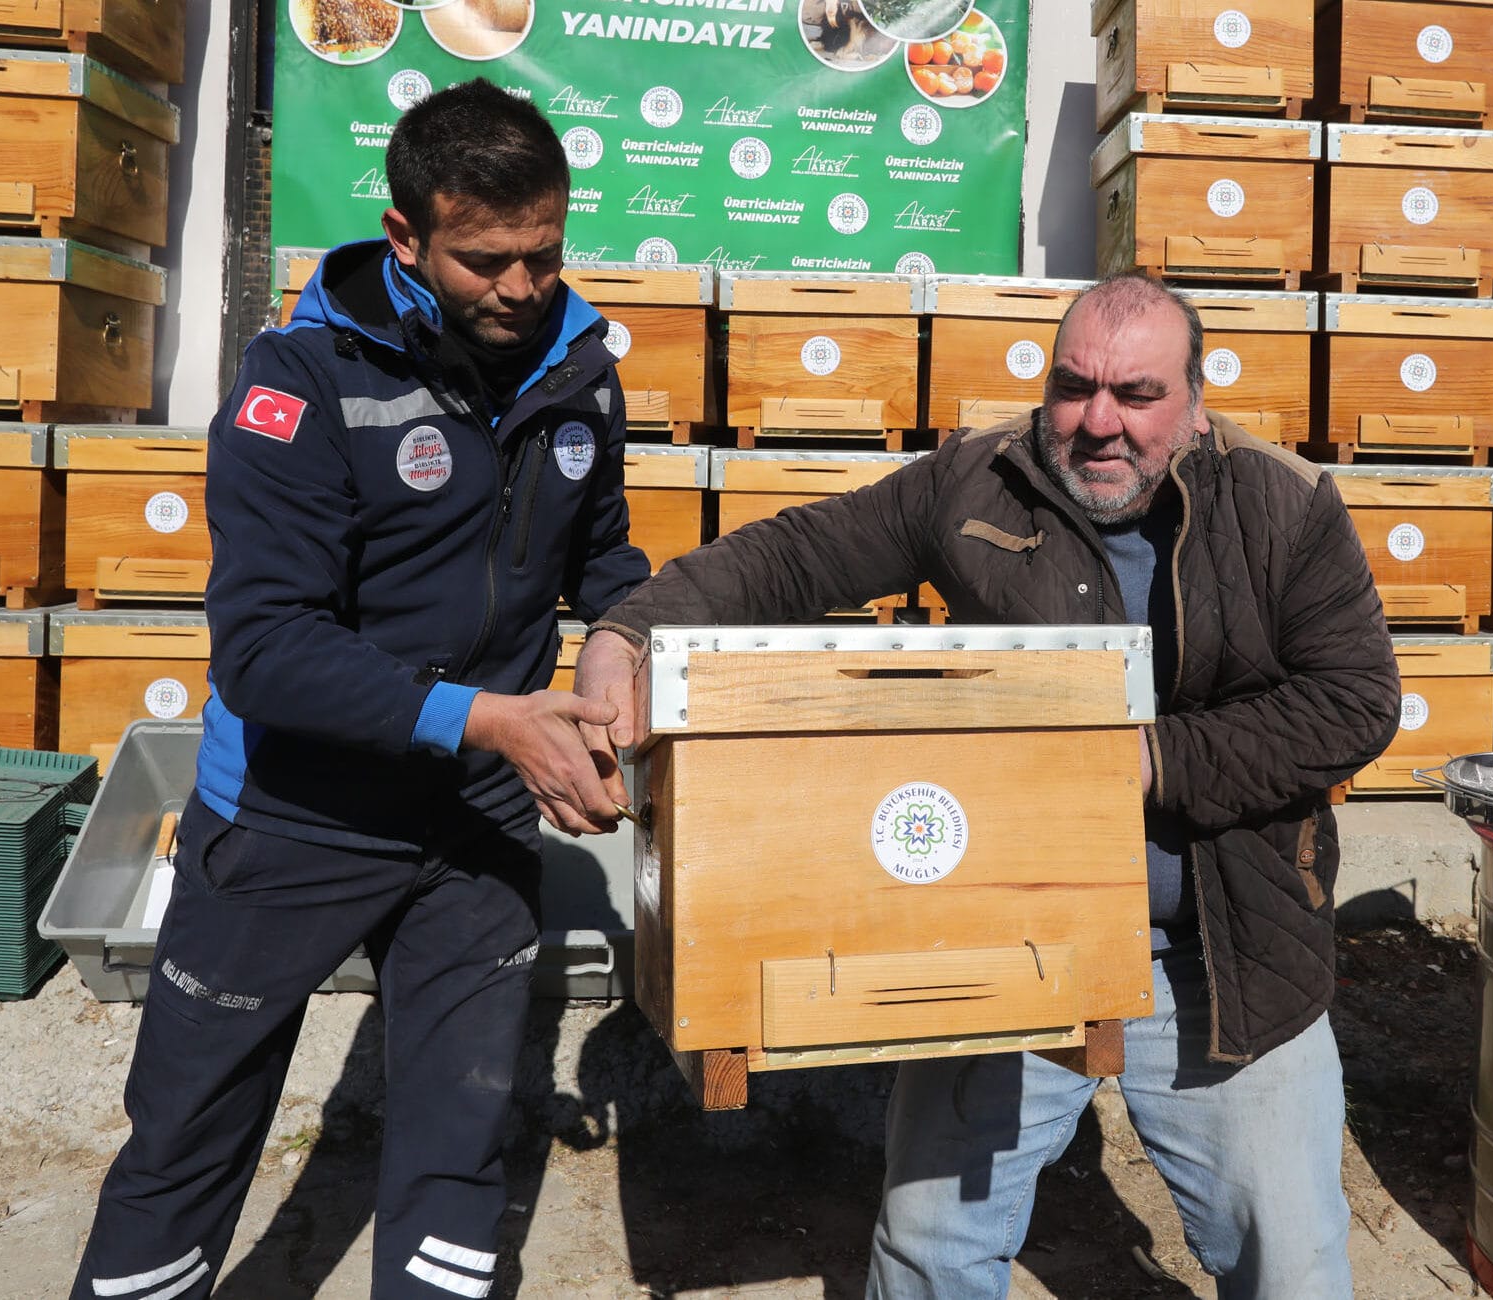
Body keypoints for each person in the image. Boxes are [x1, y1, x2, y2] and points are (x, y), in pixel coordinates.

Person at [574, 273, 1399, 1297]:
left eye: (1135, 394)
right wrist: (625, 634)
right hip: (1004, 945)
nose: (1098, 422)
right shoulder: (976, 481)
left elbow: (1355, 701)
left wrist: (1141, 759)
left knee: (1291, 1263)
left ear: (1193, 400)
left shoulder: (1281, 503)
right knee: (932, 1253)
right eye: (1073, 386)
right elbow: (796, 555)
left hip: (1224, 957)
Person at [71, 80, 646, 1300]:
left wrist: (618, 641)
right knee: (186, 1139)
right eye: (485, 260)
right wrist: (493, 719)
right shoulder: (301, 385)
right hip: (294, 820)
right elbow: (265, 650)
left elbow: (605, 561)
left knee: (458, 1146)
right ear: (405, 240)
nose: (521, 287)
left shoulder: (580, 370)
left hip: (474, 830)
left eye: (543, 254)